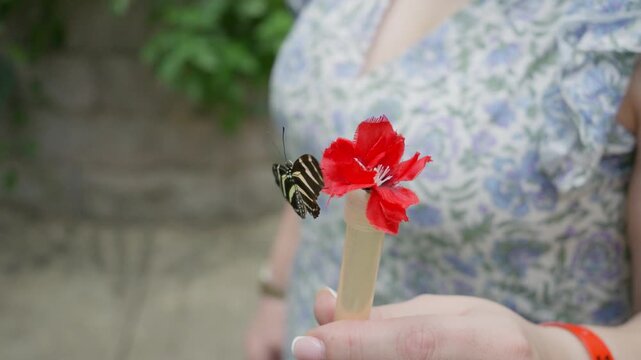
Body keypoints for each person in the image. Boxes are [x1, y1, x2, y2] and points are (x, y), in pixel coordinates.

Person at [246, 0, 641, 359]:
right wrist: (277, 289)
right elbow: (314, 136)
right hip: (308, 327)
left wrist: (554, 351)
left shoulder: (618, 25)